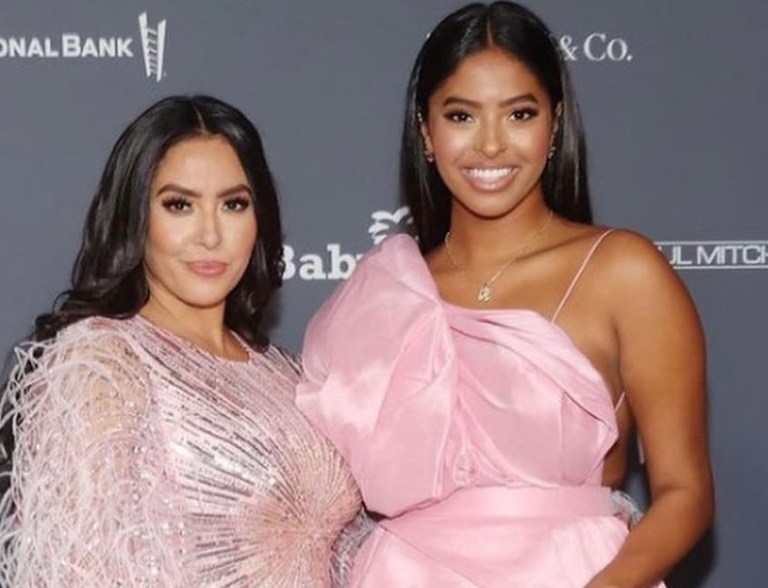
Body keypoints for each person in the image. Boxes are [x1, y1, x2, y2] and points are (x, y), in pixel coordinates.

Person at [296, 2, 713, 587]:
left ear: (554, 123)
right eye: (461, 116)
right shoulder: (381, 291)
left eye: (519, 114)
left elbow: (684, 492)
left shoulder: (623, 272)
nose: (490, 146)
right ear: (426, 131)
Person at [0, 95, 360, 587]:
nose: (210, 235)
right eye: (179, 205)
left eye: (233, 204)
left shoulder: (287, 372)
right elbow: (74, 573)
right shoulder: (102, 363)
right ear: (135, 218)